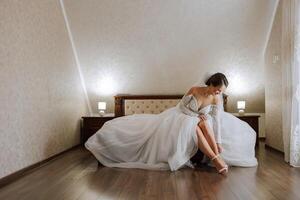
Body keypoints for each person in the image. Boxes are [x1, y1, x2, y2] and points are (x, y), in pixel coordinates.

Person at [85, 72, 257, 175]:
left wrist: (217, 140)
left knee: (206, 123)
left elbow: (217, 119)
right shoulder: (194, 90)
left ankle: (216, 153)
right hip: (181, 115)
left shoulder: (217, 99)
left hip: (200, 120)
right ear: (210, 84)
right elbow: (182, 107)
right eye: (217, 89)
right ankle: (216, 159)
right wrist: (196, 117)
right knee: (196, 125)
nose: (219, 93)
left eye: (222, 91)